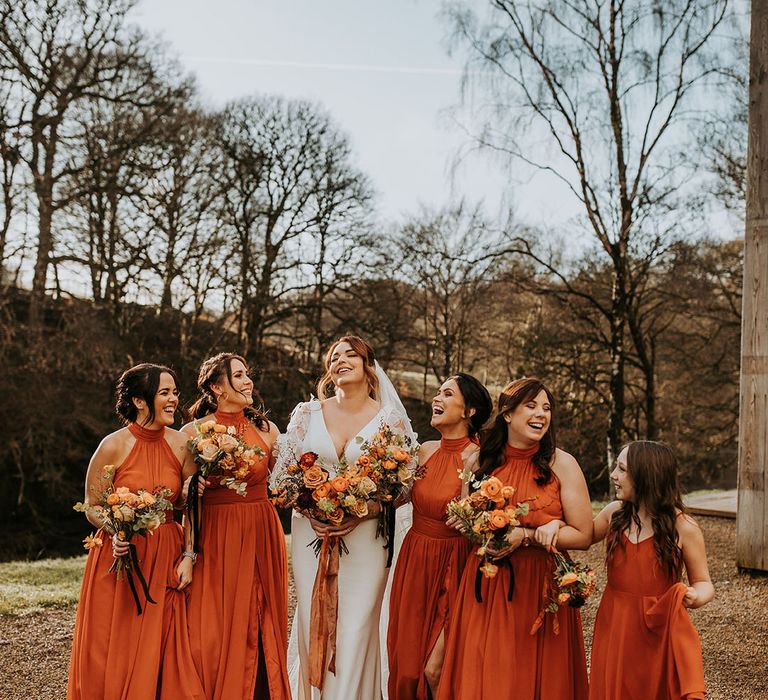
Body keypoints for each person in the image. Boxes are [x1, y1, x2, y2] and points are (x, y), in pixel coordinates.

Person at [274, 335, 416, 700]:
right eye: (334, 356)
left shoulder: (389, 419)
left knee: (355, 626)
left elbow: (405, 485)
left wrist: (363, 509)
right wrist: (309, 508)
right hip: (312, 535)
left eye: (351, 354)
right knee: (312, 618)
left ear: (369, 366)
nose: (341, 360)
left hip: (366, 537)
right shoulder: (308, 414)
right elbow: (284, 476)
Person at [436, 377, 592, 700]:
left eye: (547, 408)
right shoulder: (478, 463)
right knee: (489, 678)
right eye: (531, 406)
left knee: (533, 681)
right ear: (507, 413)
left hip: (541, 589)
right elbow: (473, 533)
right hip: (486, 587)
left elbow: (584, 534)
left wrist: (528, 536)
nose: (541, 414)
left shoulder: (562, 464)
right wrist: (467, 523)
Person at [68, 363, 204, 700]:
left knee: (163, 649)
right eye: (165, 393)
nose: (174, 399)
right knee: (109, 645)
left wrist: (189, 556)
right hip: (118, 559)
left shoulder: (181, 445)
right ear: (140, 401)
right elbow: (93, 504)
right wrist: (116, 530)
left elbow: (189, 506)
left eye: (174, 392)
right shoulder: (112, 446)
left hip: (165, 558)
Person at [182, 353, 290, 700]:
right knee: (211, 626)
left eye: (247, 375)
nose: (248, 382)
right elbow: (179, 493)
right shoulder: (193, 432)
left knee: (260, 613)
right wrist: (190, 487)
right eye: (238, 376)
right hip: (214, 532)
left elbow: (285, 483)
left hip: (260, 527)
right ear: (216, 387)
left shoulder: (267, 429)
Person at [386, 373, 492, 700]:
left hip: (455, 565)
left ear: (469, 411)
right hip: (414, 562)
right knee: (405, 666)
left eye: (447, 394)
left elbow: (473, 518)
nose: (436, 398)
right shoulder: (425, 451)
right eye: (438, 392)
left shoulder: (479, 457)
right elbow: (397, 497)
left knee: (437, 669)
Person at [590, 441, 714, 700]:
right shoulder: (614, 514)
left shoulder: (684, 527)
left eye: (622, 469)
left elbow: (704, 582)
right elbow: (581, 536)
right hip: (615, 622)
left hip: (658, 626)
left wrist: (696, 595)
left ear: (647, 476)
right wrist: (539, 531)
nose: (613, 474)